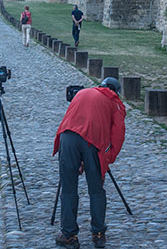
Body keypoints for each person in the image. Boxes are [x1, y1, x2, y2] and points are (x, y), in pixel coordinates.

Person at [53, 77, 126, 249]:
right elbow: (118, 135)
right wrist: (106, 162)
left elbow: (71, 120)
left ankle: (69, 235)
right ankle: (98, 233)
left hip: (67, 136)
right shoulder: (114, 102)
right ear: (115, 92)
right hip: (93, 142)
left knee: (69, 188)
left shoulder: (82, 92)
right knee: (96, 189)